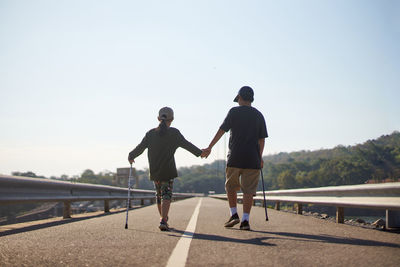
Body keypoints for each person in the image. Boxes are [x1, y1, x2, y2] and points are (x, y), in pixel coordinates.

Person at [128, 107, 206, 231]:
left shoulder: (150, 134)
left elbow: (140, 148)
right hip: (168, 171)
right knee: (166, 195)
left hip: (155, 171)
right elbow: (187, 145)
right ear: (172, 119)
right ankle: (163, 220)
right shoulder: (174, 133)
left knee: (159, 195)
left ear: (158, 118)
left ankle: (163, 219)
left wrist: (131, 156)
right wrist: (200, 153)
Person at [203, 86, 268, 230]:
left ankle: (234, 214)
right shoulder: (259, 115)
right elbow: (261, 140)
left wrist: (210, 147)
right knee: (248, 191)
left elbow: (222, 130)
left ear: (239, 97)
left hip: (235, 157)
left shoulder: (233, 112)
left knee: (230, 186)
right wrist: (260, 157)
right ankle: (245, 220)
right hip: (252, 159)